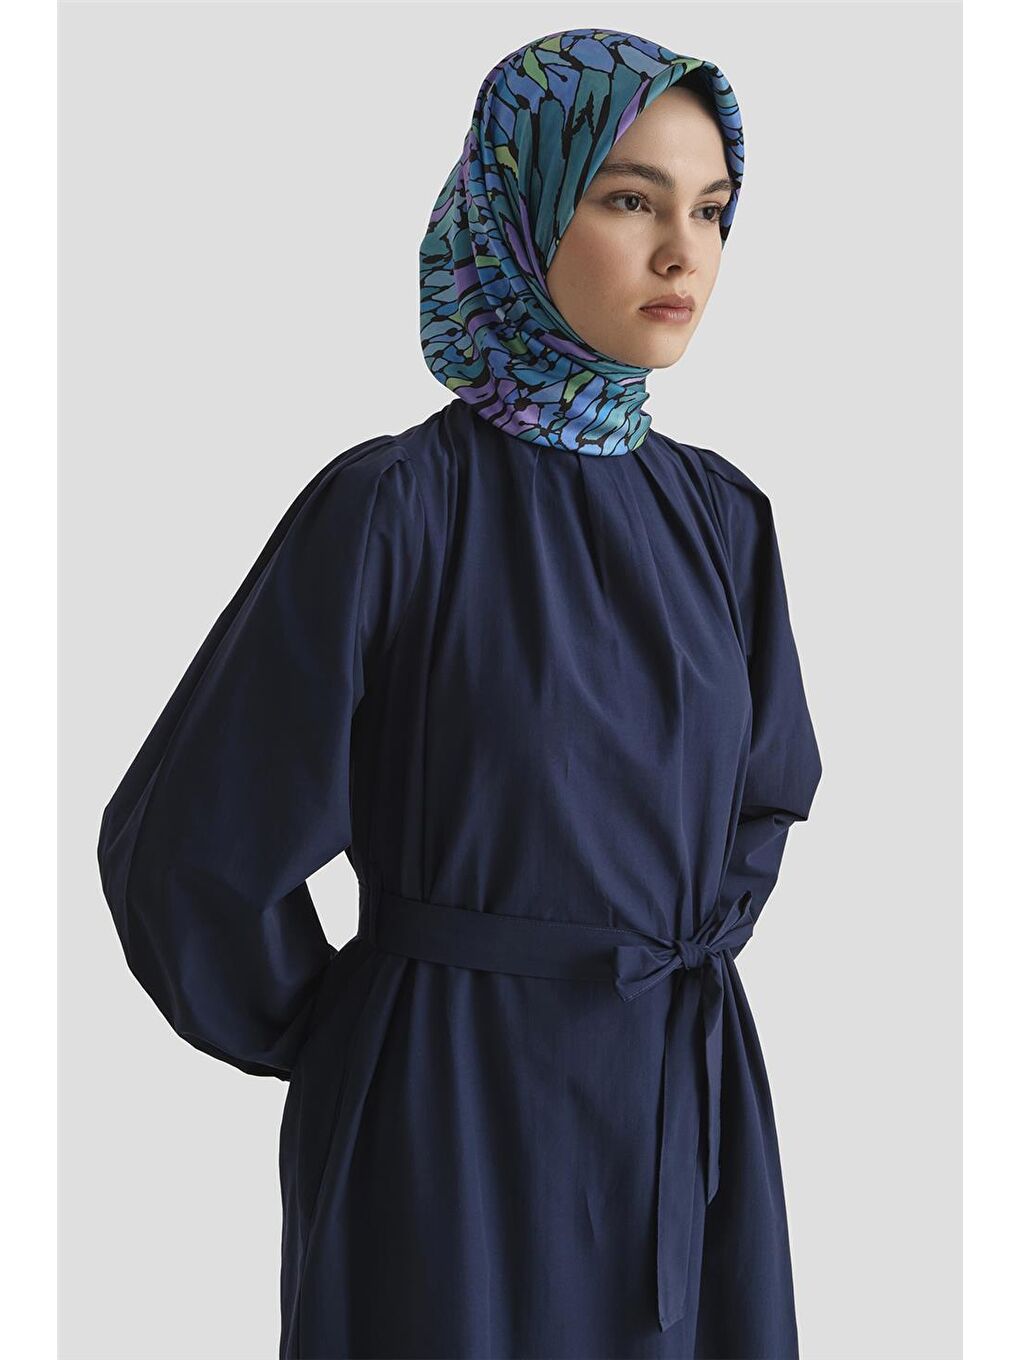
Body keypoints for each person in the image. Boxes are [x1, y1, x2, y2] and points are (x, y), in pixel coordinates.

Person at [97, 27, 823, 1360]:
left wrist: (655, 976)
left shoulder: (724, 521)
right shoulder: (395, 509)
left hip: (682, 1110)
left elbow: (765, 800)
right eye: (631, 200)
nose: (685, 254)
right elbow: (189, 848)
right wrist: (352, 1031)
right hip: (447, 1123)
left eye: (713, 209)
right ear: (520, 209)